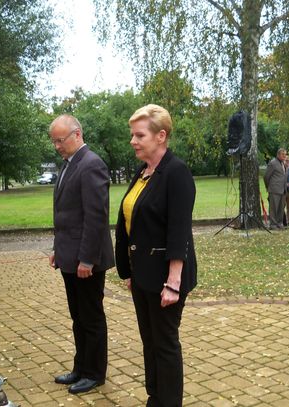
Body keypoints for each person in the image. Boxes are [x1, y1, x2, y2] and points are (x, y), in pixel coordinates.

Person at [115, 104, 197, 407]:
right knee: (149, 342)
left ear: (161, 136)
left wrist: (173, 282)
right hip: (143, 276)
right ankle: (155, 398)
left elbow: (179, 231)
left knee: (164, 344)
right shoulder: (144, 172)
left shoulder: (176, 172)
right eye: (132, 135)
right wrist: (131, 271)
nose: (133, 141)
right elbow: (133, 223)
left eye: (140, 135)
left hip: (166, 278)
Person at [48, 114, 114, 394]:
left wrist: (87, 259)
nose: (57, 146)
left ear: (77, 134)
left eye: (60, 140)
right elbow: (67, 214)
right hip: (69, 256)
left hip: (86, 261)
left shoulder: (91, 164)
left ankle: (95, 373)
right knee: (78, 316)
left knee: (91, 317)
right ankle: (81, 367)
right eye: (53, 141)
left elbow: (95, 217)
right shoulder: (69, 165)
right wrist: (58, 249)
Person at [264, 148, 287, 229]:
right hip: (274, 189)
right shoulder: (273, 163)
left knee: (281, 208)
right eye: (283, 154)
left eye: (285, 154)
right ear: (278, 155)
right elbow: (266, 176)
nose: (284, 156)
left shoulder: (283, 163)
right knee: (274, 208)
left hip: (283, 189)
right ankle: (273, 224)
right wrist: (268, 187)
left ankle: (280, 223)